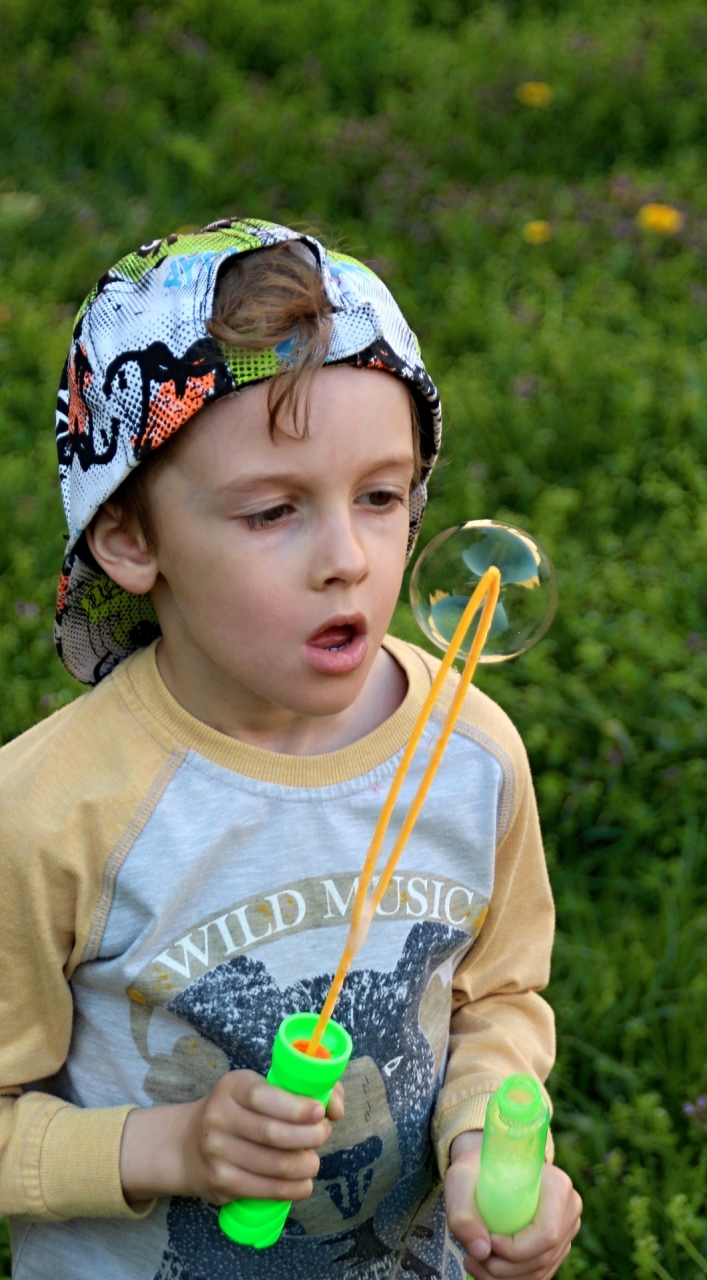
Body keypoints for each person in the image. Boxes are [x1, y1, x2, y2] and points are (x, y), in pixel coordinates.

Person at [0, 218, 581, 1280]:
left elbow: (495, 999)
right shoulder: (49, 812)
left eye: (381, 496)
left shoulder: (468, 751)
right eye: (273, 511)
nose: (346, 558)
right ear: (129, 536)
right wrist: (166, 1146)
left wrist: (488, 1147)